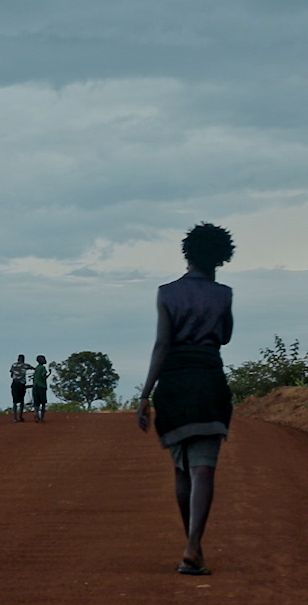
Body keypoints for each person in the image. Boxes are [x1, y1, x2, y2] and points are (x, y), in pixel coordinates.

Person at [136, 222, 235, 576]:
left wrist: (145, 395)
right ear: (221, 257)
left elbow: (162, 344)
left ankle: (194, 546)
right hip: (209, 381)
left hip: (174, 384)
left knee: (182, 468)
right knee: (204, 467)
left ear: (187, 253)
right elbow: (224, 337)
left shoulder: (166, 293)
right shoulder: (223, 294)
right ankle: (193, 545)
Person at [8, 355, 30, 421]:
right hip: (21, 384)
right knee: (22, 400)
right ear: (23, 359)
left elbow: (11, 375)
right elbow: (33, 368)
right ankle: (20, 417)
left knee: (14, 401)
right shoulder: (25, 365)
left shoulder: (14, 365)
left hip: (14, 383)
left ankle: (15, 418)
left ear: (18, 359)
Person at [30, 355, 50, 423]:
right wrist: (49, 373)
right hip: (41, 386)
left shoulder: (37, 368)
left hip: (35, 386)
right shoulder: (43, 368)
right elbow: (43, 377)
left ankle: (36, 413)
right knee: (43, 403)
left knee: (36, 403)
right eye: (43, 359)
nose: (45, 360)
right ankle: (42, 418)